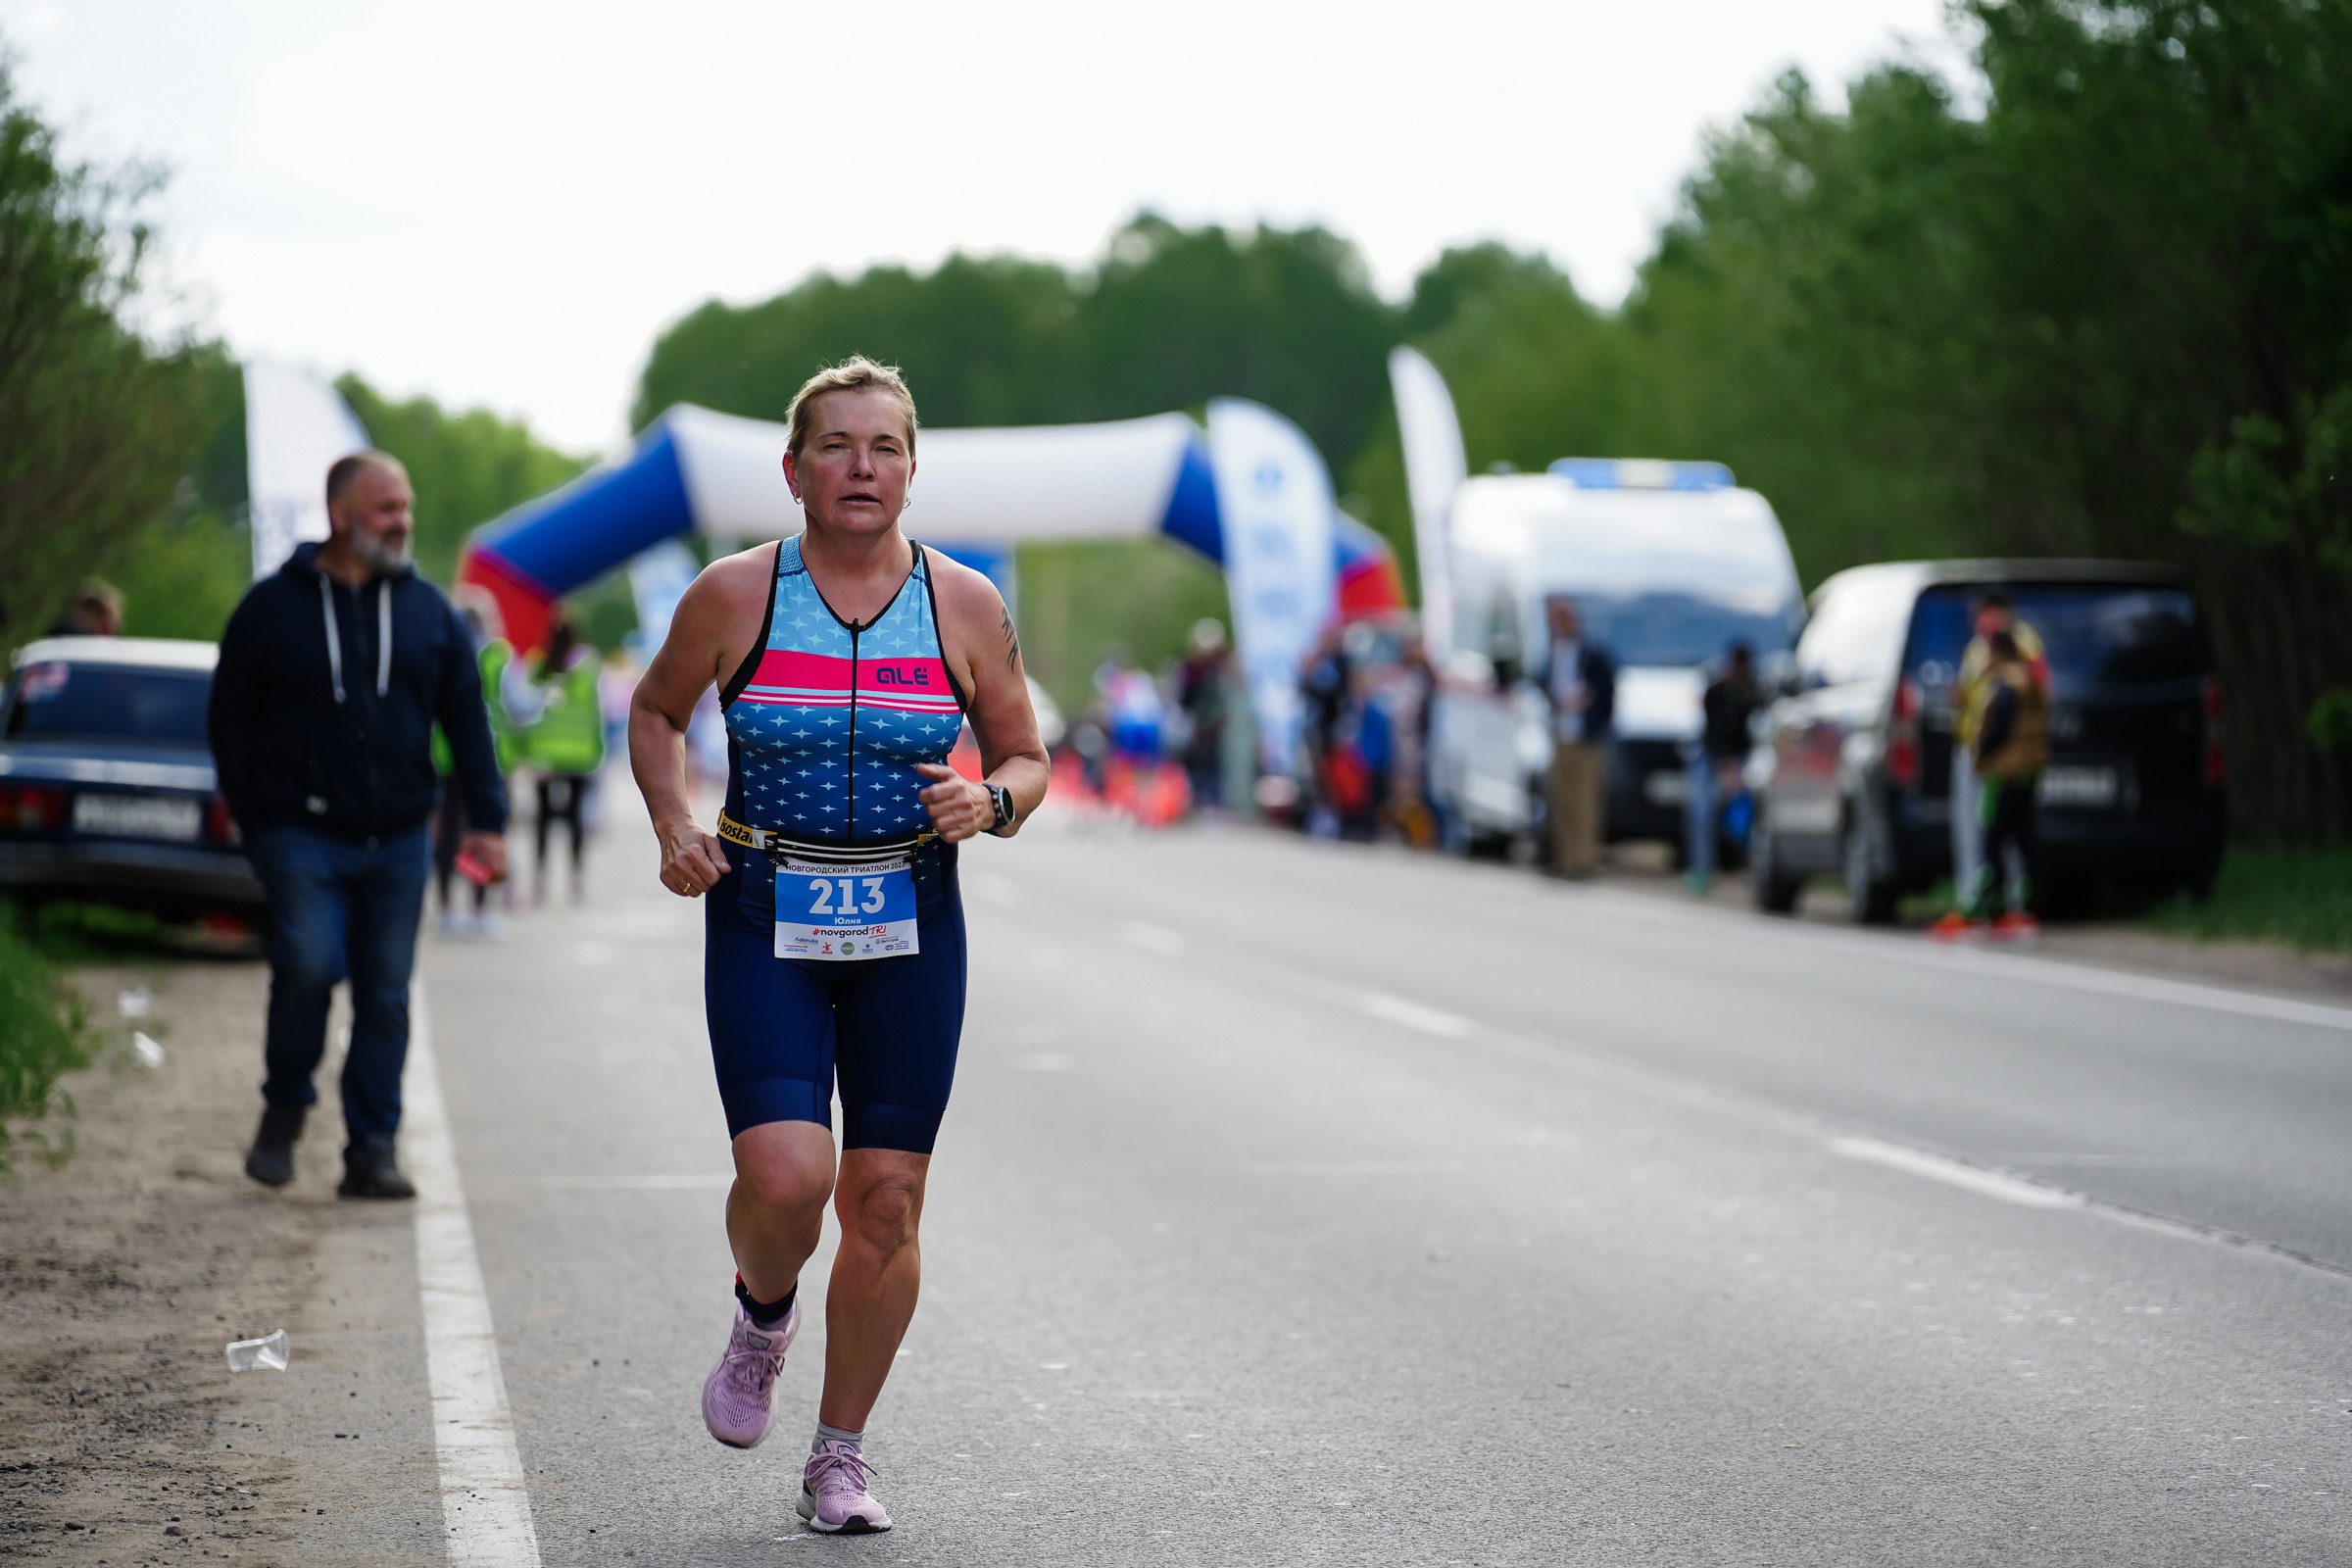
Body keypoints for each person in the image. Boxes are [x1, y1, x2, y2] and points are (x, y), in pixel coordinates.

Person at [627, 357, 1049, 1536]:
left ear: (913, 471)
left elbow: (1027, 754)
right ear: (794, 468)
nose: (862, 467)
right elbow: (656, 711)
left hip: (912, 916)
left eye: (885, 448)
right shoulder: (735, 593)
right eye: (837, 446)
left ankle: (839, 1455)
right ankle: (765, 1312)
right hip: (766, 908)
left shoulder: (963, 604)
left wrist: (993, 802)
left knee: (887, 1199)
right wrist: (672, 821)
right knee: (789, 1177)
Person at [209, 451, 508, 1198]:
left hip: (402, 835)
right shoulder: (270, 608)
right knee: (307, 964)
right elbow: (229, 721)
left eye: (406, 507)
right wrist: (255, 817)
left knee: (385, 992)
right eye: (386, 509)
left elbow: (467, 718)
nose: (402, 522)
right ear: (341, 514)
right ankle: (284, 1110)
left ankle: (370, 1148)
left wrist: (488, 821)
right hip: (299, 833)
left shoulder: (429, 611)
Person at [1933, 629, 2046, 943]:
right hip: (2027, 771)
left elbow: (2000, 729)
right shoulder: (2028, 678)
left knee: (1990, 841)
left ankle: (1983, 908)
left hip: (2002, 773)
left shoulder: (2005, 685)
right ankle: (2024, 908)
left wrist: (1982, 754)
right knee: (2023, 842)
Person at [1951, 592, 2046, 904]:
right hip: (1981, 752)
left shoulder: (2021, 645)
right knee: (1982, 833)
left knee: (2001, 835)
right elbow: (1969, 695)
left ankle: (2004, 902)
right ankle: (1980, 897)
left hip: (2003, 760)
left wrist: (1989, 747)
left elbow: (2026, 699)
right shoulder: (1976, 648)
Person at [521, 618, 606, 904]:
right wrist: (597, 751)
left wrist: (528, 753)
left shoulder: (539, 669)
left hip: (544, 755)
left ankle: (539, 881)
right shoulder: (588, 669)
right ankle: (576, 881)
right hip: (579, 755)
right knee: (574, 819)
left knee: (543, 818)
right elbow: (596, 713)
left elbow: (528, 713)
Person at [1543, 597, 1615, 877]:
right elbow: (1544, 681)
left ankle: (1583, 860)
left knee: (1585, 801)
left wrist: (1590, 699)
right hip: (1562, 733)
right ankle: (1563, 859)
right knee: (1562, 800)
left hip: (1586, 737)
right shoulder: (1554, 652)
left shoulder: (1592, 653)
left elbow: (1608, 691)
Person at [1687, 642, 1761, 892]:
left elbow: (1753, 733)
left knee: (1748, 809)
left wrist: (1737, 768)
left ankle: (1752, 870)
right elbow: (1712, 732)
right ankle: (1702, 869)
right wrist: (1724, 763)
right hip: (1713, 757)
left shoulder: (1754, 693)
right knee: (1702, 809)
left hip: (1741, 758)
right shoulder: (1715, 692)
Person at [1175, 617, 1232, 810]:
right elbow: (1185, 696)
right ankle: (1198, 797)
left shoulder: (1220, 665)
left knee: (1215, 761)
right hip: (1199, 719)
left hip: (1216, 720)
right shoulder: (1192, 667)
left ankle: (1212, 799)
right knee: (1199, 759)